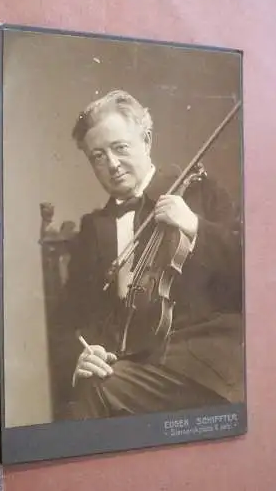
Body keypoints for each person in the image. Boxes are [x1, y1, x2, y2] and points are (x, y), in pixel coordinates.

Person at [58, 89, 244, 420]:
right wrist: (86, 352)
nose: (112, 164)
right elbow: (74, 317)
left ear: (146, 140)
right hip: (130, 366)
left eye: (120, 148)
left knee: (98, 396)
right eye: (98, 156)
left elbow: (249, 275)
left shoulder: (200, 192)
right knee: (89, 385)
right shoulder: (92, 229)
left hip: (201, 366)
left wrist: (194, 226)